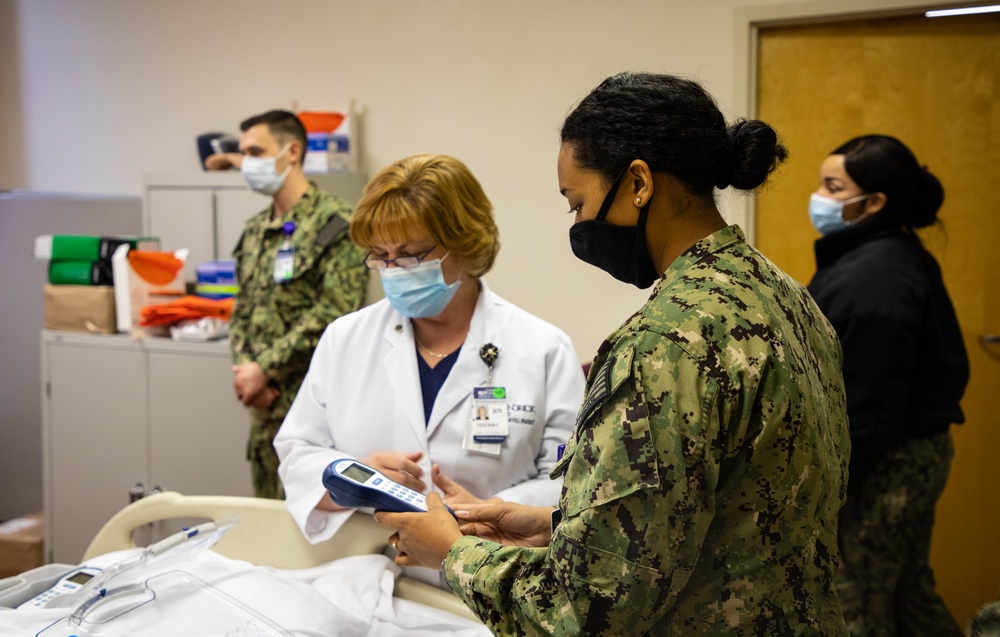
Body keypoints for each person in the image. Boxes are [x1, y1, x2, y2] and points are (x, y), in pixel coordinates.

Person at [374, 72, 852, 635]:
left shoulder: (665, 344)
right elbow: (739, 508)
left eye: (576, 204)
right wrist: (563, 522)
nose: (577, 226)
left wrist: (451, 552)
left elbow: (588, 611)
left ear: (639, 184)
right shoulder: (785, 296)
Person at [273, 154, 585, 584]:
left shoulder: (544, 348)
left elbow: (573, 482)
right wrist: (352, 477)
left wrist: (482, 514)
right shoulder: (346, 339)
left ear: (466, 242)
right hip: (368, 581)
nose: (392, 271)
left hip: (489, 585)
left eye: (412, 255)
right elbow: (296, 454)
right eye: (380, 256)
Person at [806, 135, 969, 636]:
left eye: (833, 187)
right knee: (905, 591)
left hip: (885, 462)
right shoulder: (877, 253)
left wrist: (828, 492)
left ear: (873, 202)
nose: (818, 197)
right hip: (906, 453)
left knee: (857, 598)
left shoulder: (876, 275)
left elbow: (870, 405)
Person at [228, 109, 369, 499]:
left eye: (255, 151)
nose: (246, 163)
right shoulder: (255, 230)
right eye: (242, 153)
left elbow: (336, 312)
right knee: (268, 524)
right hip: (262, 413)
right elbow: (241, 308)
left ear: (292, 151)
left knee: (316, 526)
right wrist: (246, 371)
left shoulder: (337, 223)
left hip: (314, 407)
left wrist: (266, 371)